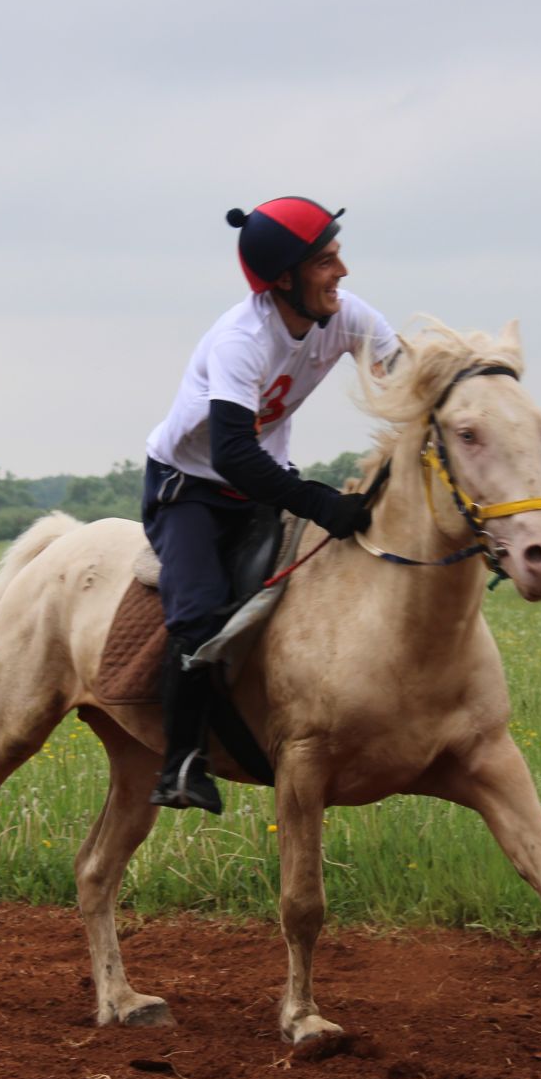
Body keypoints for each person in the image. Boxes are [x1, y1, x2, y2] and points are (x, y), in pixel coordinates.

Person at [142, 196, 397, 813]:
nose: (341, 271)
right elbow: (231, 454)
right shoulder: (241, 340)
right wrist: (316, 502)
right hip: (191, 488)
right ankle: (181, 763)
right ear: (284, 278)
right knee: (200, 615)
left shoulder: (348, 316)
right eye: (325, 261)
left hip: (265, 477)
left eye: (337, 255)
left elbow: (410, 384)